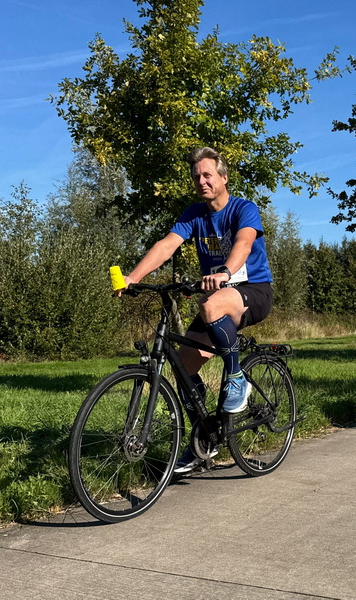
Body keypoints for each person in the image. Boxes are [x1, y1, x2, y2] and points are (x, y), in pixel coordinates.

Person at [123, 146, 273, 472]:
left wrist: (226, 272)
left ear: (223, 177)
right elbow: (167, 245)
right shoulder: (194, 214)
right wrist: (133, 278)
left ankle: (236, 378)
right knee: (184, 367)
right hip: (219, 295)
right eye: (196, 177)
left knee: (211, 303)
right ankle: (204, 439)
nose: (201, 181)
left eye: (207, 175)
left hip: (254, 290)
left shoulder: (243, 209)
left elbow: (244, 243)